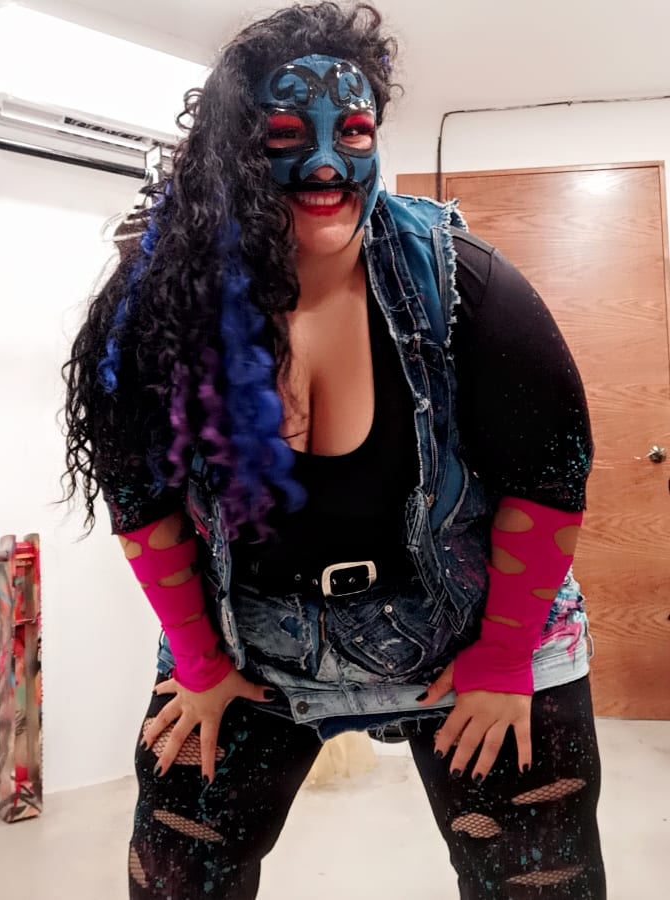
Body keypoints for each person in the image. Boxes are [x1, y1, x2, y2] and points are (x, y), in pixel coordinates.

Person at [62, 3, 606, 897]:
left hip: (477, 629)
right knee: (174, 876)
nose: (325, 164)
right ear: (231, 151)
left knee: (543, 883)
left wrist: (507, 657)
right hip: (248, 646)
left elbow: (551, 478)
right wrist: (198, 661)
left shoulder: (462, 282)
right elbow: (138, 497)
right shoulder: (163, 303)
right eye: (286, 135)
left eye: (352, 131)